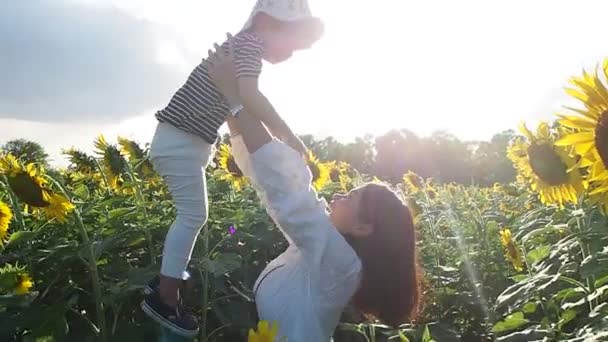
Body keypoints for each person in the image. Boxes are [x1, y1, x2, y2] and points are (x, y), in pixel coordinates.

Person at [206, 40, 423, 341]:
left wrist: (234, 99)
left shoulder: (340, 263)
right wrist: (232, 110)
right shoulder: (327, 247)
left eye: (351, 196)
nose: (338, 195)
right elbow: (273, 186)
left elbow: (288, 190)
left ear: (363, 227)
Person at [141, 0, 324, 337]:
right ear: (271, 23)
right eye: (293, 44)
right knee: (193, 216)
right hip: (179, 142)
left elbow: (237, 108)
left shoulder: (239, 47)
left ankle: (165, 280)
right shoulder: (248, 45)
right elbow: (251, 99)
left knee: (194, 216)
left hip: (184, 142)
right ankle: (164, 297)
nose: (291, 55)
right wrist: (289, 136)